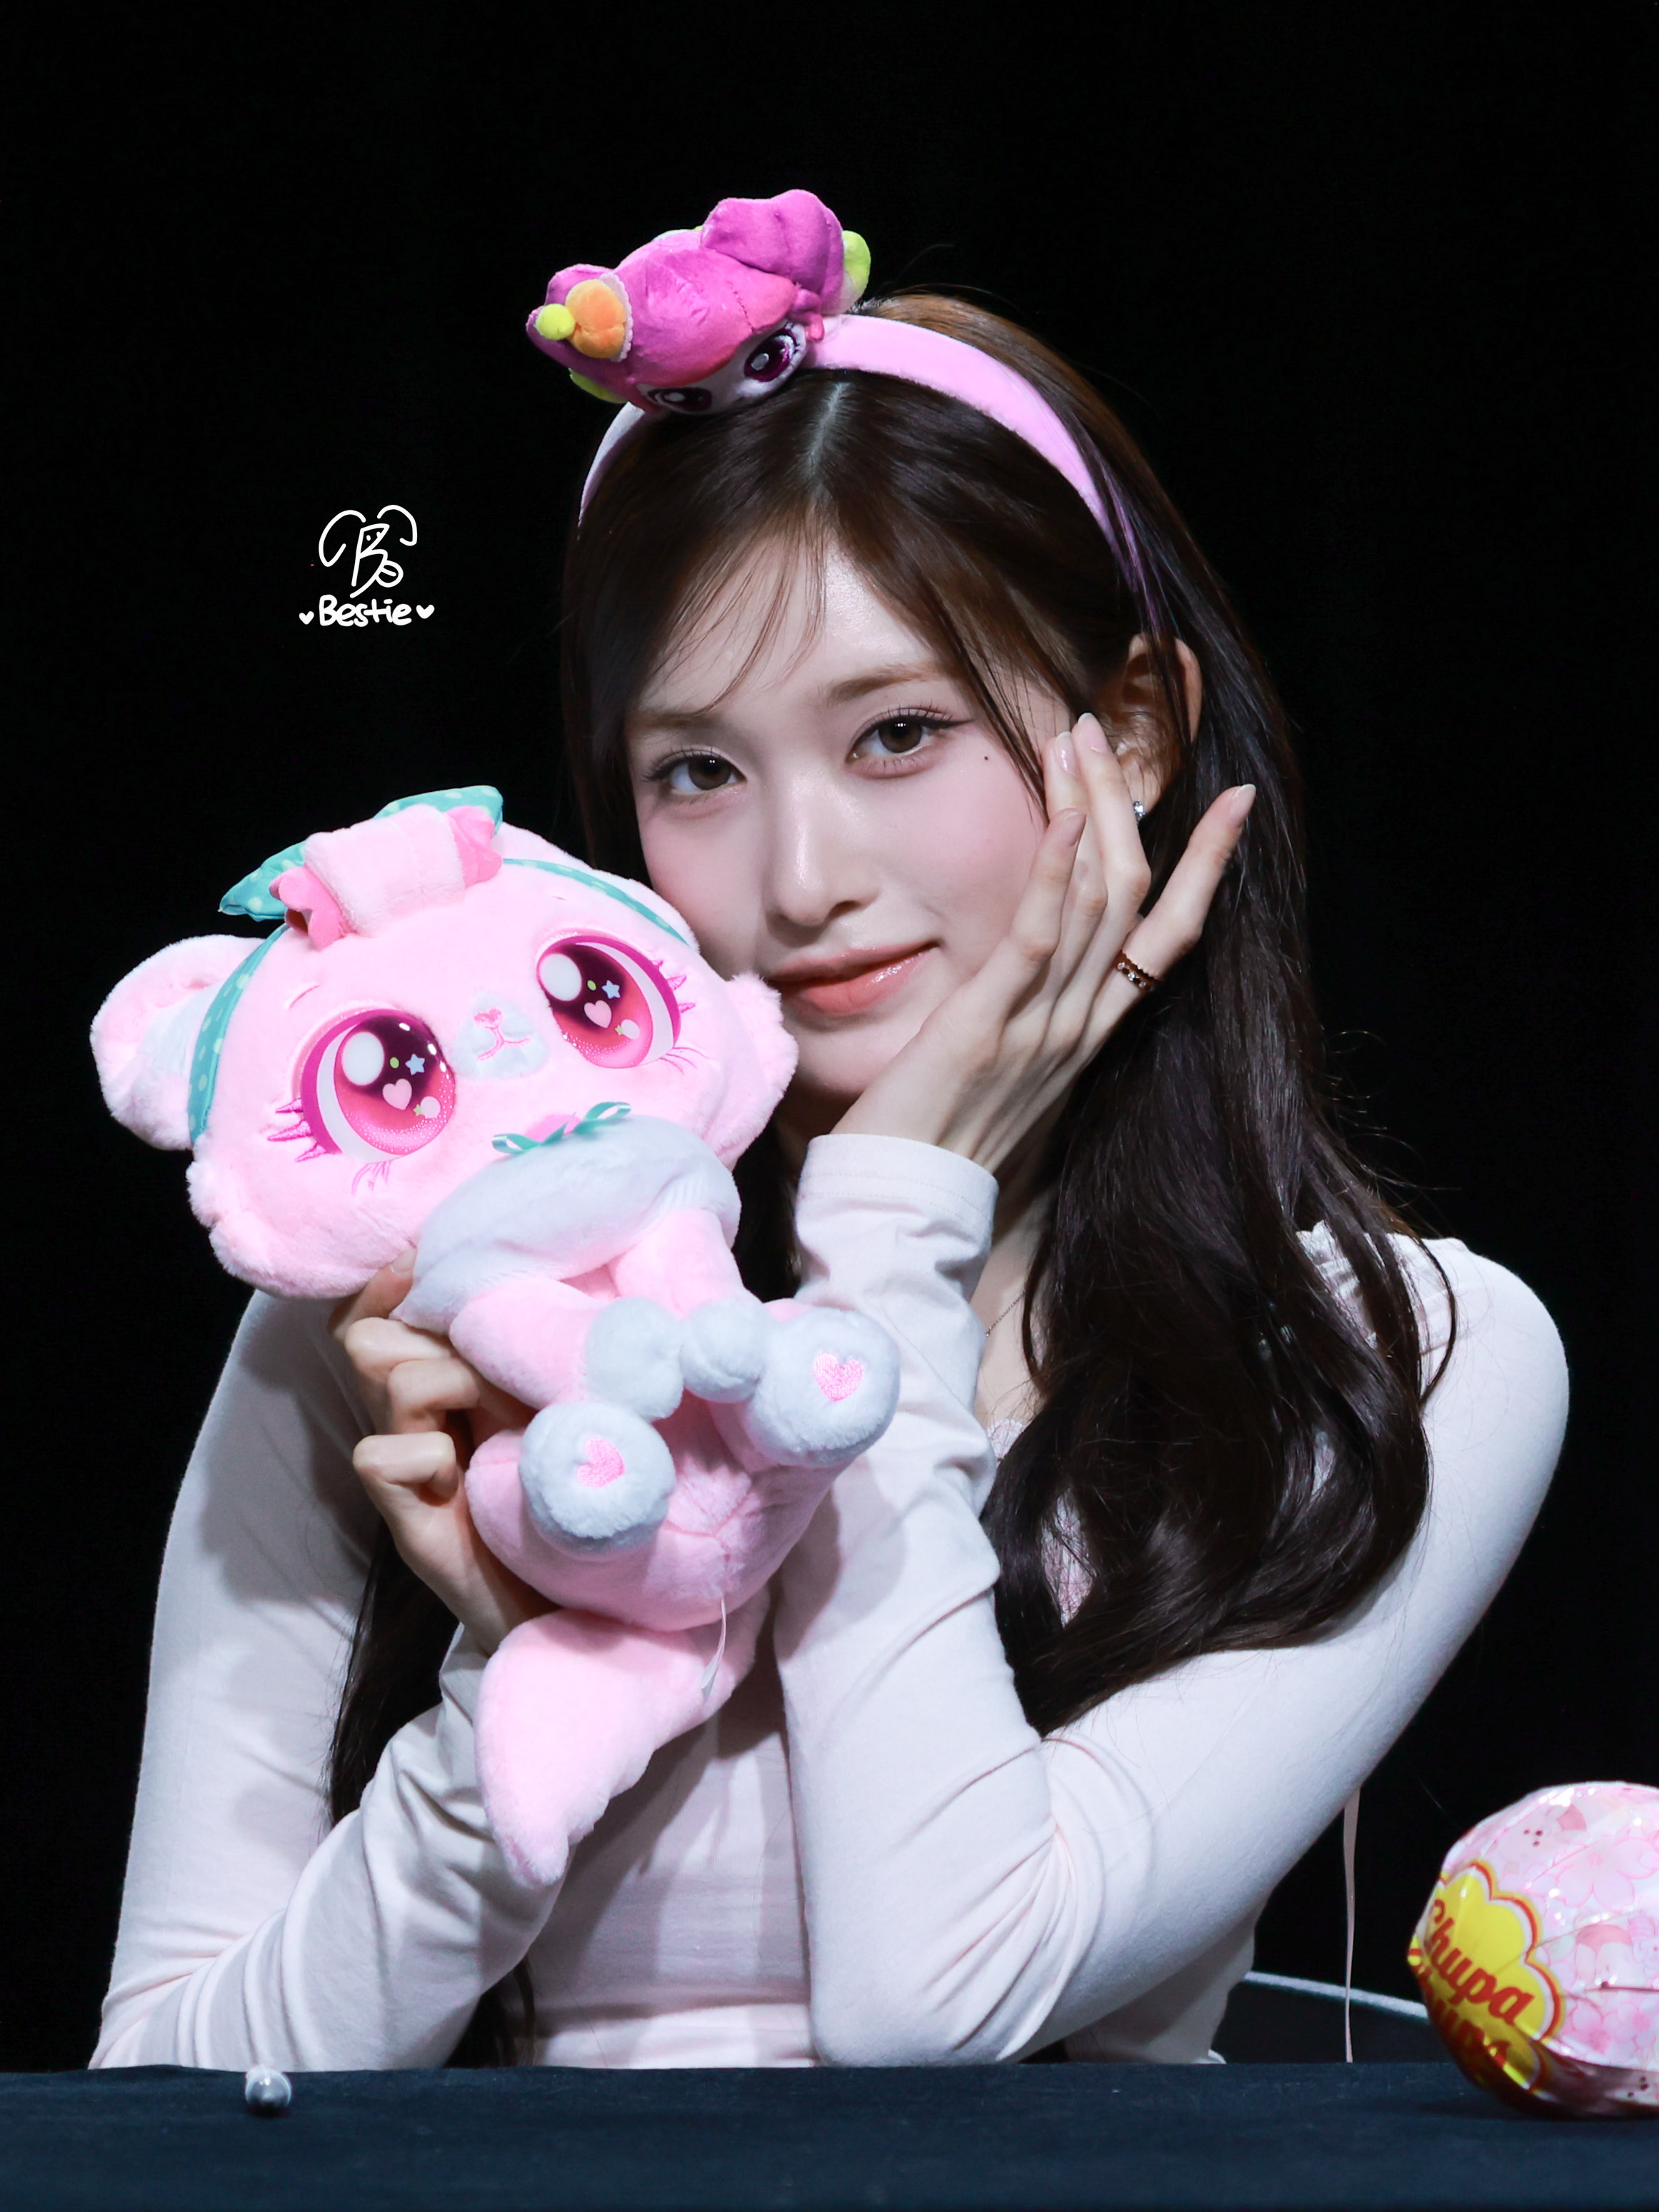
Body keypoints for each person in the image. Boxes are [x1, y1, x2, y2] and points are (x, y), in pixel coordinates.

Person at [93, 201, 1567, 2073]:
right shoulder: (400, 1310)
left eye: (896, 736)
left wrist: (891, 1214)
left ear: (1129, 732)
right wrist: (515, 1696)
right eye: (697, 771)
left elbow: (935, 2001)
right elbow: (161, 2089)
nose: (800, 882)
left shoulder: (1393, 1351)